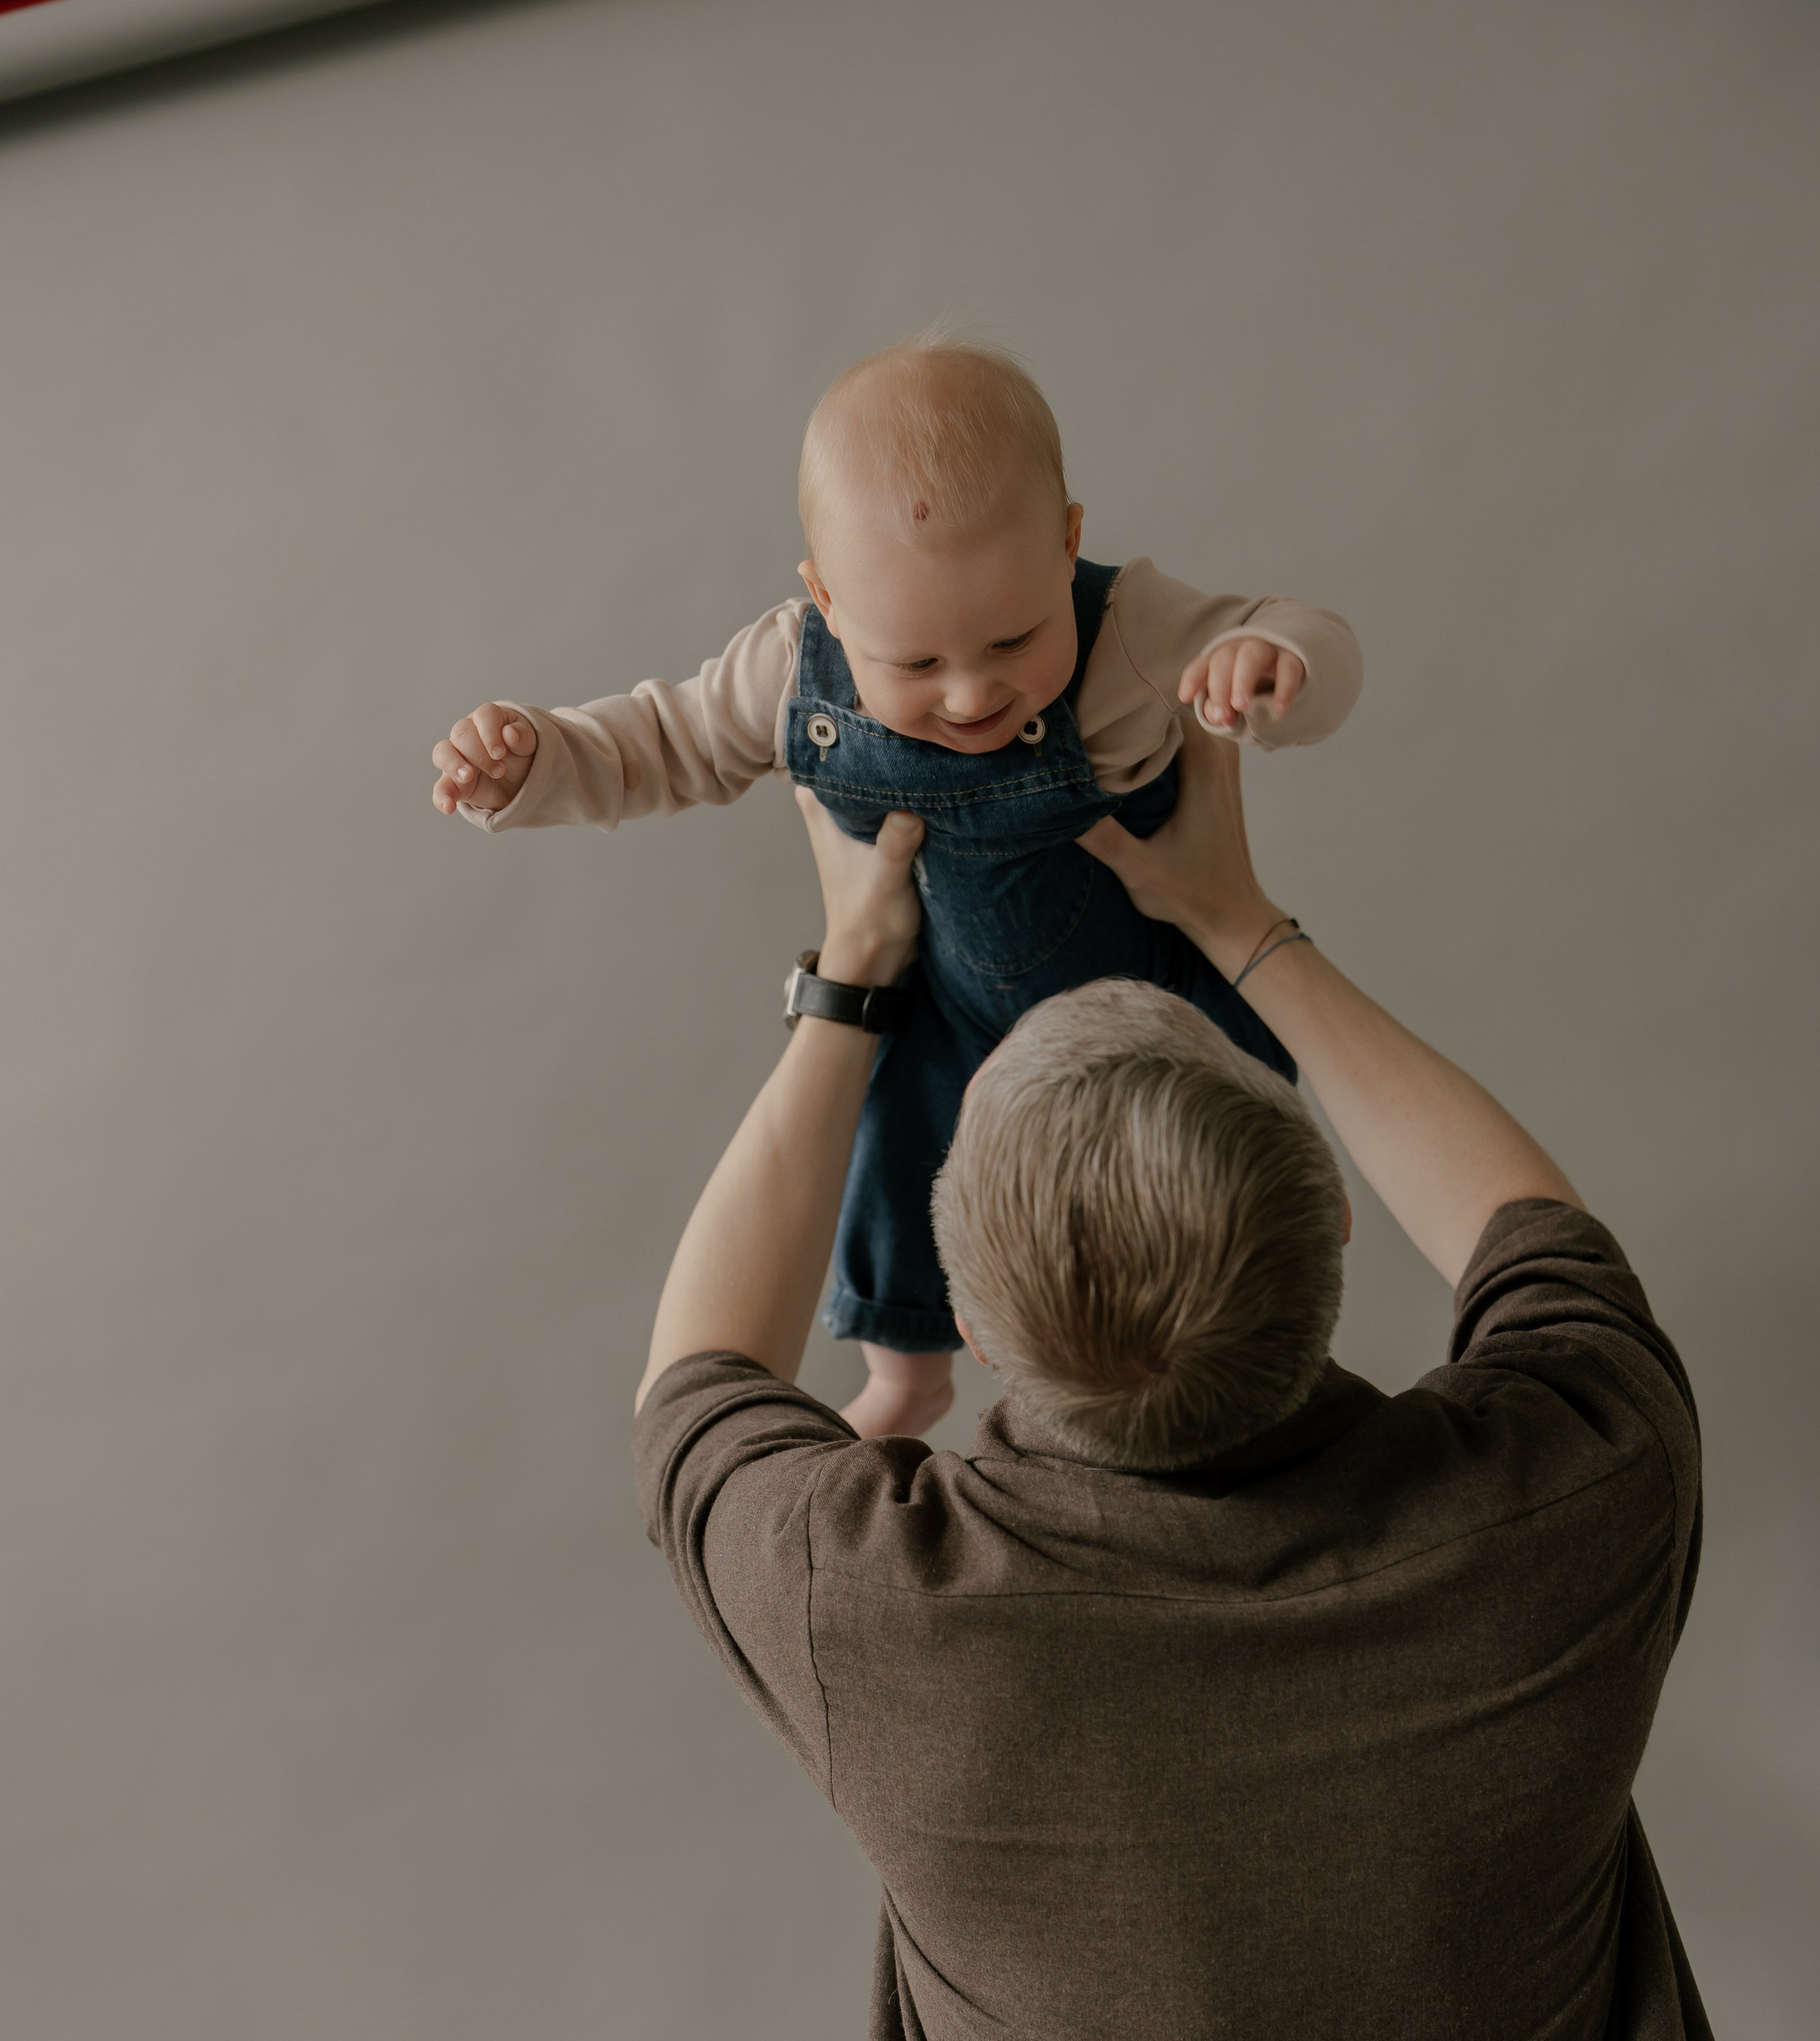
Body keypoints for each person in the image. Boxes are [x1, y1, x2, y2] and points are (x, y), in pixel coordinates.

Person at [631, 721, 1819, 2041]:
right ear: (1333, 1236)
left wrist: (854, 969)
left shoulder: (893, 1618)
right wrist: (1245, 931)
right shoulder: (1567, 1507)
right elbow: (1544, 1247)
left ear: (972, 1305)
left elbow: (699, 1384)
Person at [431, 336, 1361, 1437]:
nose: (971, 693)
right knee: (894, 1154)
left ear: (1069, 545)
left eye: (1016, 638)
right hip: (951, 1006)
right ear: (824, 597)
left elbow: (1309, 631)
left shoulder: (1133, 632)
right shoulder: (792, 670)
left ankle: (1298, 1280)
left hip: (1155, 981)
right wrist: (536, 760)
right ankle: (908, 1378)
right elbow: (661, 743)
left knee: (1233, 1149)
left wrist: (1271, 664)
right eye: (914, 664)